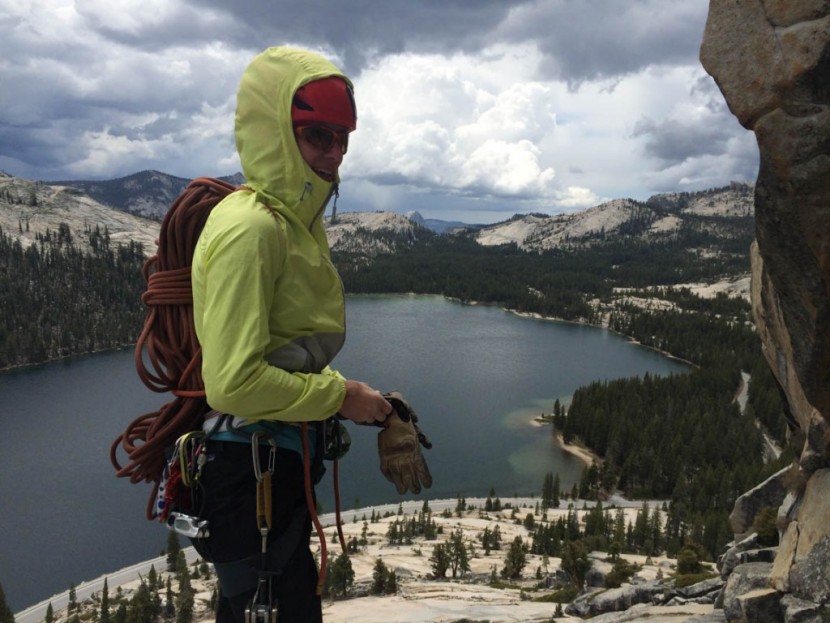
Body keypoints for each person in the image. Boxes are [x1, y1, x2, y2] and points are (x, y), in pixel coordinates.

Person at [190, 47, 430, 623]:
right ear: (276, 130)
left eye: (344, 139)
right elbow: (232, 383)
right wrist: (340, 397)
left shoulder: (290, 224)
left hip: (269, 469)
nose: (335, 154)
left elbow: (282, 351)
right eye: (318, 135)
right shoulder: (251, 230)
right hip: (250, 476)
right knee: (271, 609)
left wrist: (355, 396)